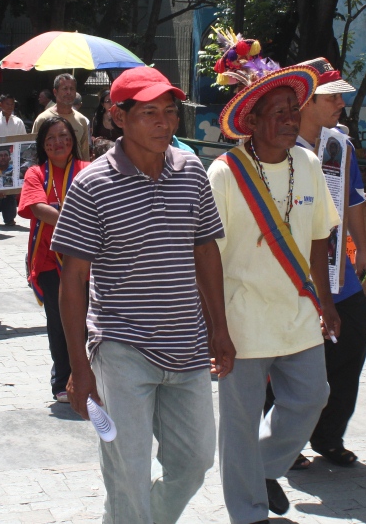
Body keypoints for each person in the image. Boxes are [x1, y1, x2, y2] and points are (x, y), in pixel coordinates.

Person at [52, 66, 235, 524]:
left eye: (169, 112)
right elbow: (72, 282)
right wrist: (79, 369)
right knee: (127, 472)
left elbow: (205, 251)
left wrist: (220, 329)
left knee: (195, 461)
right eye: (149, 113)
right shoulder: (92, 185)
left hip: (188, 346)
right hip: (121, 347)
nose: (164, 122)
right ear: (119, 117)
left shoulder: (191, 172)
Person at [206, 42, 340, 523]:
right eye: (278, 112)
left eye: (292, 110)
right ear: (252, 120)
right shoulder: (224, 174)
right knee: (239, 423)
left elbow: (320, 236)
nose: (289, 119)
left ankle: (261, 468)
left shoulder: (308, 164)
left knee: (312, 397)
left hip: (298, 311)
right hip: (241, 318)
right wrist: (215, 327)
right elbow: (207, 256)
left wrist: (327, 301)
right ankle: (248, 513)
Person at [291, 67, 366, 469]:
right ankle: (284, 442)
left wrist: (365, 249)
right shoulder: (279, 147)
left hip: (338, 269)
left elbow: (355, 199)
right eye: (332, 97)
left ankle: (328, 434)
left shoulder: (341, 145)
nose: (341, 103)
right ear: (307, 101)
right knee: (289, 356)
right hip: (293, 273)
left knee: (353, 342)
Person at [17, 116, 89, 403]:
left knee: (88, 321)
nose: (58, 143)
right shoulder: (36, 173)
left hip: (87, 261)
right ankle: (62, 379)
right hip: (50, 261)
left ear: (73, 139)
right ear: (42, 144)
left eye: (63, 136)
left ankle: (89, 375)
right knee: (59, 321)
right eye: (50, 139)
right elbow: (37, 208)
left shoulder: (88, 170)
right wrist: (75, 223)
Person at [0, 94, 27, 226]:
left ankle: (9, 218)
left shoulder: (18, 122)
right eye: (7, 104)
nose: (10, 107)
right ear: (0, 105)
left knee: (11, 191)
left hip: (13, 160)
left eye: (12, 104)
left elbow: (23, 140)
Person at [32, 74, 90, 160]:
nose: (68, 92)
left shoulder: (81, 120)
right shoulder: (43, 119)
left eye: (72, 89)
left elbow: (84, 153)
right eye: (65, 88)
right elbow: (33, 151)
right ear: (55, 92)